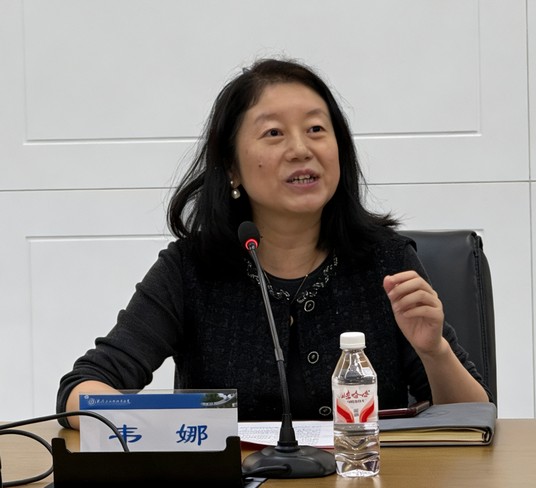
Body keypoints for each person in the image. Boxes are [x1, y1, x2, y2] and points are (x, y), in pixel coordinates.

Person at [56, 57, 491, 429]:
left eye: (316, 129)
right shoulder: (190, 269)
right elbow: (81, 392)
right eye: (274, 133)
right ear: (232, 167)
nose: (301, 149)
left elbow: (476, 416)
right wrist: (173, 424)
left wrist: (433, 351)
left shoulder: (386, 260)